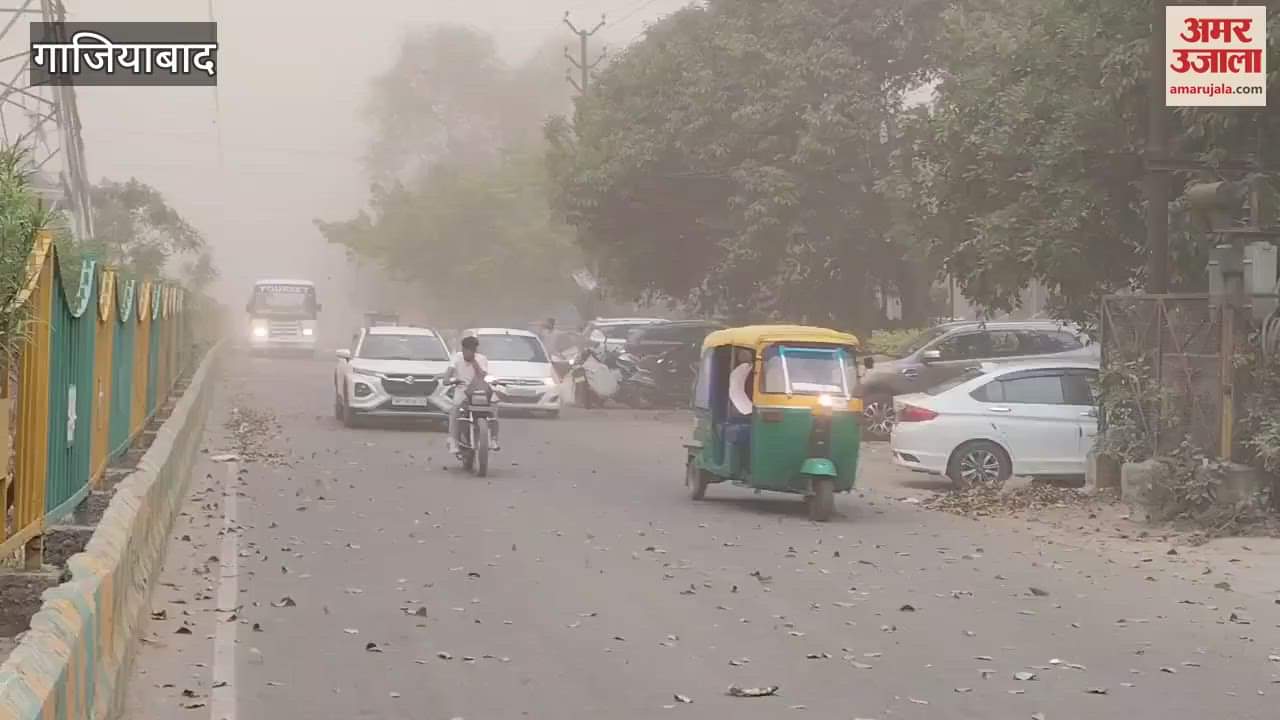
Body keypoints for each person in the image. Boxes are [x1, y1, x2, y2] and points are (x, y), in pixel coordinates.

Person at [442, 335, 499, 454]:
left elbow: (481, 376)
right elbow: (447, 377)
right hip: (462, 390)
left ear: (475, 350)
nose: (468, 352)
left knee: (493, 406)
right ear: (462, 349)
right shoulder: (457, 357)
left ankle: (493, 439)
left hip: (478, 390)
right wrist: (452, 380)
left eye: (472, 350)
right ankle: (453, 440)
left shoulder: (481, 359)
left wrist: (474, 362)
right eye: (466, 350)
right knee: (456, 408)